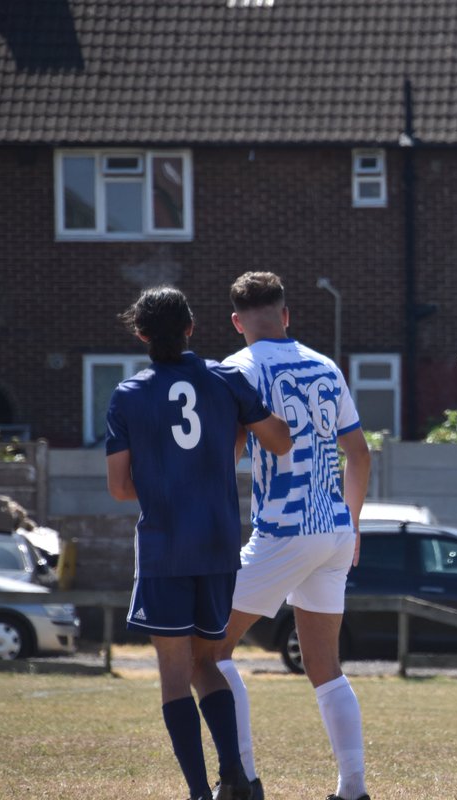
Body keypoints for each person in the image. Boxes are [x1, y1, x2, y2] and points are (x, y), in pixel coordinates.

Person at [104, 286, 293, 800]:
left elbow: (120, 488)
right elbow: (278, 439)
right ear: (191, 326)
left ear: (141, 334)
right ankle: (235, 774)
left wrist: (170, 476)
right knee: (208, 663)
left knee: (174, 675)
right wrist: (226, 445)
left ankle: (199, 793)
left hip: (165, 548)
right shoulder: (226, 378)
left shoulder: (128, 395)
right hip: (217, 544)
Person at [212, 272, 374, 800]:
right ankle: (353, 790)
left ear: (237, 323)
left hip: (284, 528)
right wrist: (351, 524)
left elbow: (227, 456)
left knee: (209, 650)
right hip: (334, 529)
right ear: (287, 314)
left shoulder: (237, 369)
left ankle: (243, 782)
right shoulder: (325, 365)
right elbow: (360, 454)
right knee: (325, 668)